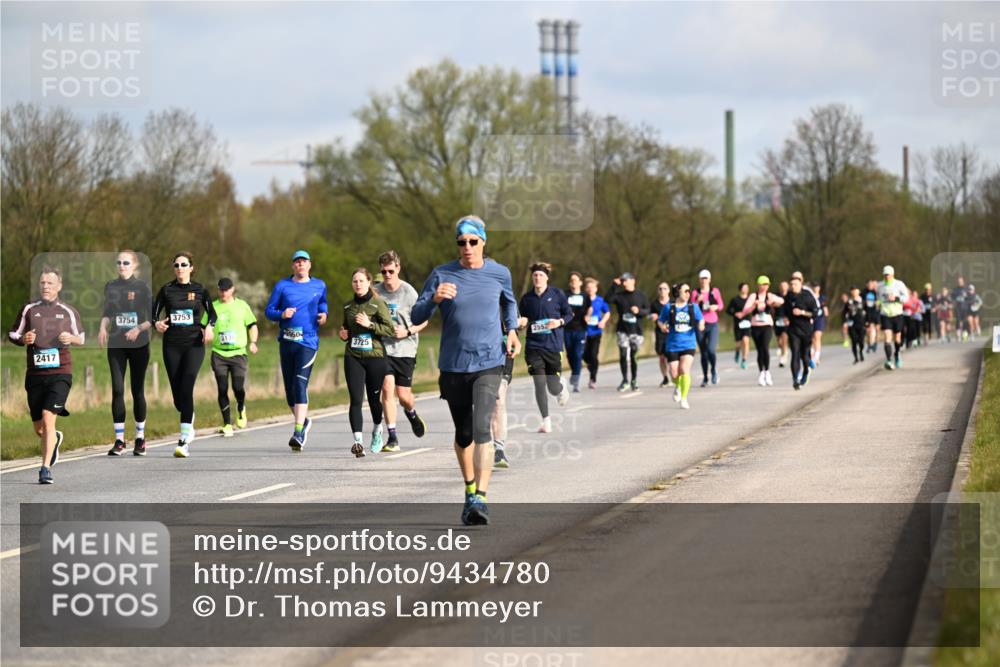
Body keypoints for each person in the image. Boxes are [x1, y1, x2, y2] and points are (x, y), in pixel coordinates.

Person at [411, 215, 520, 526]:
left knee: (484, 428)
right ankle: (469, 488)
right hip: (454, 365)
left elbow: (509, 304)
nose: (467, 247)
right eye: (462, 242)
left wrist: (511, 330)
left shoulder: (499, 273)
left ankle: (480, 498)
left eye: (473, 241)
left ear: (483, 241)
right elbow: (416, 313)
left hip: (489, 362)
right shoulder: (442, 274)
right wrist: (433, 298)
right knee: (464, 433)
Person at [9, 267, 85, 484]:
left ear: (59, 286)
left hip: (60, 373)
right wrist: (24, 339)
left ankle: (45, 469)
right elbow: (13, 333)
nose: (46, 286)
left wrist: (70, 338)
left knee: (48, 417)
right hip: (35, 375)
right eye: (42, 283)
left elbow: (81, 337)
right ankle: (55, 439)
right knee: (40, 428)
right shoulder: (29, 309)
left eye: (50, 283)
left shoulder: (68, 311)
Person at [264, 250, 328, 452]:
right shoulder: (282, 286)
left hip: (308, 341)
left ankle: (298, 431)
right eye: (297, 262)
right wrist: (282, 313)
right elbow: (269, 311)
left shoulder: (319, 285)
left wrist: (324, 314)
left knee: (300, 383)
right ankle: (305, 421)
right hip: (287, 341)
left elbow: (323, 303)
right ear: (293, 266)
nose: (300, 265)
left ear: (310, 265)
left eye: (304, 262)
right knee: (290, 391)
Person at [153, 252, 216, 458]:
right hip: (171, 345)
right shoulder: (167, 290)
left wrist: (208, 327)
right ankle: (188, 416)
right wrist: (157, 323)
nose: (180, 267)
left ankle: (183, 440)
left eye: (184, 264)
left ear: (191, 267)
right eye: (177, 265)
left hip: (194, 345)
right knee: (178, 398)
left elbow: (212, 314)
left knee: (187, 386)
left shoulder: (199, 290)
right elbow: (154, 312)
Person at [98, 250, 153, 457]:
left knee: (137, 390)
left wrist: (138, 329)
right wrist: (103, 328)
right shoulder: (111, 286)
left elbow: (153, 319)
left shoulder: (142, 287)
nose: (122, 265)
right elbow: (107, 313)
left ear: (135, 266)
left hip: (139, 345)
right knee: (118, 390)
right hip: (116, 344)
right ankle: (119, 440)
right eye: (119, 262)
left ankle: (140, 438)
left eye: (126, 262)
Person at [373, 250, 428, 453]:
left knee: (404, 396)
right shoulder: (376, 292)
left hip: (406, 348)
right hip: (383, 348)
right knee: (387, 388)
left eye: (390, 271)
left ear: (398, 269)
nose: (387, 275)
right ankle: (393, 437)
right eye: (383, 272)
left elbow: (424, 320)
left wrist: (406, 331)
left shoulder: (409, 292)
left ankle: (411, 412)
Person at [340, 268, 395, 456]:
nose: (358, 284)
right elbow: (346, 329)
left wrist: (369, 324)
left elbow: (390, 330)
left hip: (375, 358)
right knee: (355, 399)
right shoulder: (348, 307)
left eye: (361, 281)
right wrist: (343, 334)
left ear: (368, 282)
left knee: (373, 399)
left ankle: (378, 429)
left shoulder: (378, 303)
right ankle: (358, 442)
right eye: (355, 281)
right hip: (353, 356)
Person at [518, 262, 573, 434]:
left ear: (547, 278)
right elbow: (520, 320)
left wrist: (559, 322)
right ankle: (546, 421)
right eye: (535, 275)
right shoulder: (526, 299)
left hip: (553, 346)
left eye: (541, 275)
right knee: (539, 383)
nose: (538, 278)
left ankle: (561, 386)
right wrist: (521, 323)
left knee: (552, 387)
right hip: (534, 346)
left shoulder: (557, 294)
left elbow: (569, 314)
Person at [205, 277, 258, 437]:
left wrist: (253, 342)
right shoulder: (212, 307)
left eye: (226, 289)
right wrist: (206, 332)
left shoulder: (242, 306)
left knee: (238, 388)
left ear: (232, 289)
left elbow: (252, 325)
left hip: (238, 353)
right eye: (221, 289)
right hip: (219, 353)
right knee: (222, 388)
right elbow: (205, 326)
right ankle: (227, 423)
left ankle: (241, 406)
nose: (223, 292)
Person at [658, 283, 704, 409]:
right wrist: (662, 327)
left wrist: (701, 324)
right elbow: (660, 320)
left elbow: (701, 319)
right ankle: (678, 386)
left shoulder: (693, 307)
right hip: (672, 344)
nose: (688, 293)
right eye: (686, 291)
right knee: (673, 374)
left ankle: (684, 398)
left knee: (684, 369)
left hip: (689, 343)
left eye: (689, 291)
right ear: (678, 292)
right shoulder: (669, 307)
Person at [605, 272, 649, 392]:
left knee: (633, 355)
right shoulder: (619, 295)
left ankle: (634, 379)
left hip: (636, 330)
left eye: (626, 280)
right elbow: (607, 299)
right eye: (622, 281)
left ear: (633, 281)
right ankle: (625, 380)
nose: (624, 283)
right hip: (622, 330)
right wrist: (614, 285)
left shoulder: (641, 295)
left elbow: (647, 311)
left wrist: (639, 311)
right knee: (623, 355)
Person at [739, 276, 784, 386]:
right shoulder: (753, 296)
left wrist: (773, 302)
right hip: (755, 326)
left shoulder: (770, 295)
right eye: (762, 284)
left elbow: (782, 300)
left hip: (767, 326)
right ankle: (761, 373)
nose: (764, 287)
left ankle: (767, 372)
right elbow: (745, 310)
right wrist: (754, 305)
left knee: (765, 347)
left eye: (766, 285)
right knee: (760, 350)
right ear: (758, 285)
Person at [781, 274, 816, 390]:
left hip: (806, 330)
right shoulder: (788, 297)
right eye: (791, 284)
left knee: (804, 356)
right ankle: (795, 379)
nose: (793, 286)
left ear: (801, 284)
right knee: (795, 353)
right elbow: (784, 311)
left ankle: (806, 371)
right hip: (793, 330)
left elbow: (815, 313)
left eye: (795, 284)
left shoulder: (808, 296)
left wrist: (802, 313)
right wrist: (785, 318)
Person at [693, 269, 723, 387]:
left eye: (706, 278)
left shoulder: (715, 291)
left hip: (712, 323)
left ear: (709, 279)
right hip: (700, 324)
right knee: (703, 353)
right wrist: (697, 300)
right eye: (702, 278)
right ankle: (705, 377)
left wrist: (715, 307)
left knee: (711, 350)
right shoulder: (695, 292)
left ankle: (714, 370)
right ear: (699, 280)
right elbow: (691, 308)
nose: (704, 280)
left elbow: (721, 304)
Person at [876, 265, 909, 370]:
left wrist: (896, 298)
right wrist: (878, 303)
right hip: (885, 314)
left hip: (897, 314)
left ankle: (897, 354)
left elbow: (906, 298)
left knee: (898, 338)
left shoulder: (899, 284)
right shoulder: (880, 286)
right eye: (885, 275)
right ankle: (889, 360)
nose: (886, 277)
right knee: (887, 337)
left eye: (888, 275)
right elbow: (878, 298)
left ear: (892, 274)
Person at [563, 271, 591, 392]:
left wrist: (588, 316)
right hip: (567, 329)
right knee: (570, 354)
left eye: (575, 280)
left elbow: (590, 308)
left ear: (580, 282)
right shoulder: (565, 295)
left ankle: (576, 380)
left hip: (580, 328)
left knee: (578, 354)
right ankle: (574, 373)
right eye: (571, 280)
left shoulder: (585, 296)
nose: (573, 282)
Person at [493, 322, 515, 469]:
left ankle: (499, 450)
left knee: (498, 401)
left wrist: (519, 322)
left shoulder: (507, 302)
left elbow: (517, 321)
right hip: (479, 355)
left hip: (504, 354)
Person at [583, 277, 610, 389]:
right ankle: (591, 365)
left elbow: (607, 312)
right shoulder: (582, 300)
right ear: (585, 288)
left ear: (596, 288)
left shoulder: (600, 300)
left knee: (593, 355)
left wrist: (603, 321)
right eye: (588, 287)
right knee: (583, 355)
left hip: (596, 332)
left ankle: (593, 378)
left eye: (592, 287)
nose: (590, 289)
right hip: (583, 332)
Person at [649, 282, 672, 387]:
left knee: (672, 356)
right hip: (660, 333)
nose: (662, 290)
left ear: (669, 290)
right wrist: (652, 316)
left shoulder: (673, 303)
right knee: (662, 357)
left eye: (665, 288)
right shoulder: (654, 304)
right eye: (660, 288)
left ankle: (674, 376)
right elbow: (648, 316)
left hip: (672, 333)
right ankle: (665, 377)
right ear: (658, 291)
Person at [726, 282, 751, 370]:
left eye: (747, 288)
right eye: (744, 288)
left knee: (746, 340)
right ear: (740, 289)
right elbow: (728, 310)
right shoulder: (735, 300)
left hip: (747, 323)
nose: (746, 289)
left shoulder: (750, 299)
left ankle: (744, 360)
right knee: (738, 344)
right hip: (738, 324)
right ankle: (737, 351)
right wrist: (735, 313)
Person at [843, 287, 868, 363]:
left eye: (855, 291)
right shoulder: (849, 302)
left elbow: (867, 312)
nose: (854, 292)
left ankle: (861, 351)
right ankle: (856, 357)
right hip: (852, 324)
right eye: (852, 291)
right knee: (854, 341)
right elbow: (844, 313)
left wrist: (868, 321)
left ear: (858, 292)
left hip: (861, 323)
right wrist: (845, 322)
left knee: (861, 341)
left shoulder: (863, 301)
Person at [810, 282, 829, 366]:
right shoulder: (810, 297)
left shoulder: (822, 297)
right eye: (814, 287)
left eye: (817, 287)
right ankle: (812, 354)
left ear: (819, 288)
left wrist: (825, 311)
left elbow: (825, 307)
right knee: (812, 339)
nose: (815, 288)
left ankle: (816, 357)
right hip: (811, 319)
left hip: (819, 319)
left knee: (817, 337)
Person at [774, 280, 791, 367]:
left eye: (785, 285)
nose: (783, 287)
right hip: (777, 319)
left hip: (787, 320)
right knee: (779, 340)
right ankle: (783, 349)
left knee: (784, 337)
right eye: (782, 286)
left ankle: (783, 357)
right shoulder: (776, 296)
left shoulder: (790, 296)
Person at [863, 279, 880, 354]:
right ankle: (870, 344)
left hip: (876, 313)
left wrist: (878, 303)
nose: (870, 286)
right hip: (868, 314)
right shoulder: (863, 292)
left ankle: (875, 343)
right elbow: (861, 301)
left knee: (877, 329)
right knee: (869, 330)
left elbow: (880, 300)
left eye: (871, 284)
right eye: (869, 284)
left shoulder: (876, 292)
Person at [951, 276, 969, 342]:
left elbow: (969, 298)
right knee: (958, 321)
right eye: (959, 281)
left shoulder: (966, 289)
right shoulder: (955, 290)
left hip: (965, 308)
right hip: (958, 308)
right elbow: (952, 298)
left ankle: (965, 335)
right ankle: (958, 335)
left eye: (961, 281)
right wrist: (953, 303)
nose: (960, 282)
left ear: (963, 281)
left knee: (965, 322)